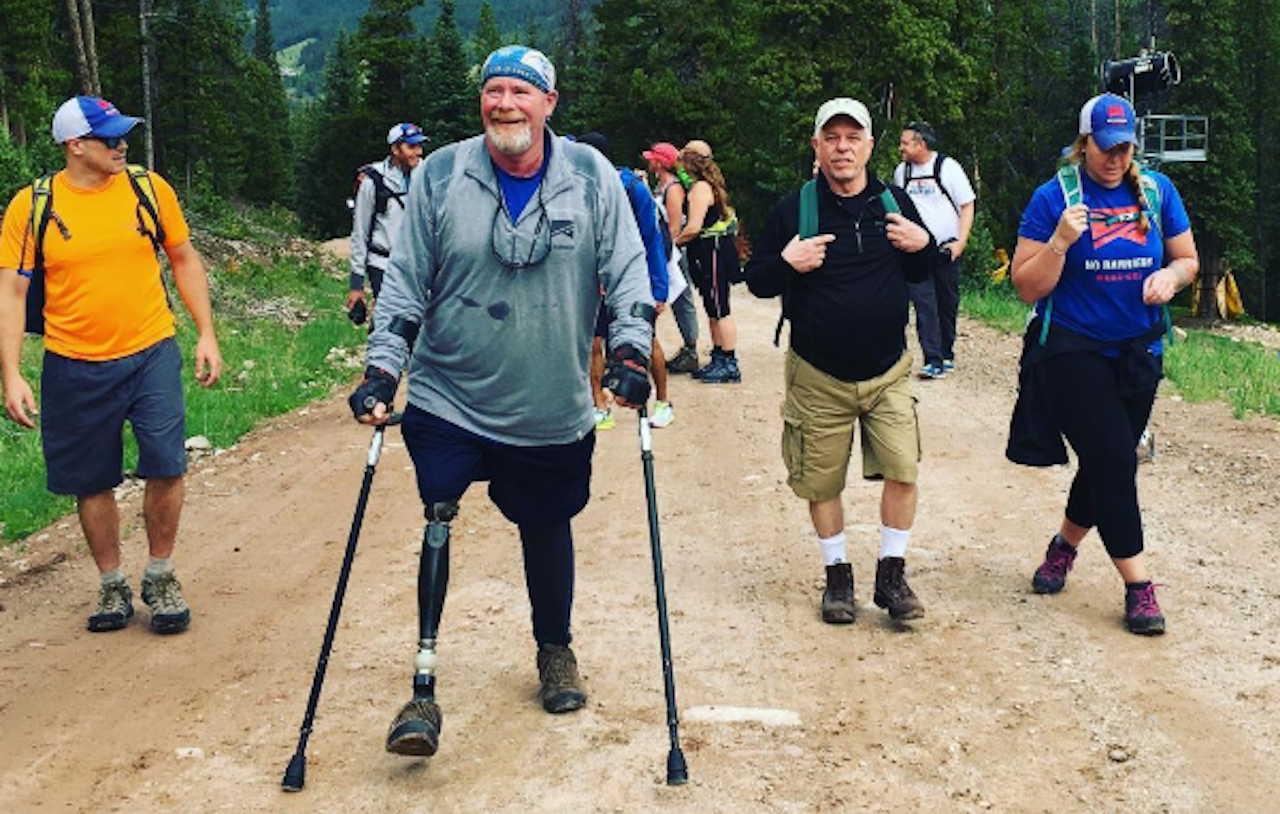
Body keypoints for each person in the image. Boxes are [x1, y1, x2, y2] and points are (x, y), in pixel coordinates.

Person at [348, 46, 654, 758]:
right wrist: (382, 370)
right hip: (450, 391)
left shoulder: (590, 176)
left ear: (550, 102)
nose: (505, 104)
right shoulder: (443, 175)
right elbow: (405, 284)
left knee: (546, 523)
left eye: (521, 91)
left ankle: (555, 650)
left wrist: (632, 350)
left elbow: (629, 270)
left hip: (549, 401)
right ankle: (422, 686)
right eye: (494, 91)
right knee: (438, 513)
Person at [0, 96, 223, 634]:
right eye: (110, 138)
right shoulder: (32, 207)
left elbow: (184, 258)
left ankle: (161, 574)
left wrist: (206, 334)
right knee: (91, 479)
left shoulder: (149, 188)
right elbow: (11, 291)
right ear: (75, 146)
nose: (123, 145)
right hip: (73, 362)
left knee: (167, 463)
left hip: (151, 350)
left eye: (124, 136)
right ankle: (112, 584)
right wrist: (11, 372)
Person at [1007, 93, 1198, 635]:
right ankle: (1139, 586)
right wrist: (1061, 243)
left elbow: (1187, 258)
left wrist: (1172, 278)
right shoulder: (1054, 198)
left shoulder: (1158, 193)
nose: (1115, 159)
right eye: (1105, 148)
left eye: (1125, 148)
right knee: (1116, 457)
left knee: (1104, 460)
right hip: (1072, 350)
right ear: (1083, 143)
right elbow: (1026, 286)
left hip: (1140, 350)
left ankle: (1063, 547)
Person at [744, 98, 937, 625]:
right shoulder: (795, 208)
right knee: (821, 482)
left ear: (870, 146)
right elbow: (757, 279)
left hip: (889, 369)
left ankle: (892, 576)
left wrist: (923, 243)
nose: (843, 147)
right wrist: (787, 261)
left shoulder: (894, 201)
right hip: (817, 373)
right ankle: (837, 577)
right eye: (832, 138)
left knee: (903, 469)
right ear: (817, 146)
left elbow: (922, 271)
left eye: (853, 137)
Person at [577, 132, 675, 429]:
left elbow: (651, 239)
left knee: (645, 340)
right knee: (594, 343)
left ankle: (663, 400)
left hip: (635, 282)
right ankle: (600, 404)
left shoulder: (632, 189)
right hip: (594, 285)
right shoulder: (573, 189)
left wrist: (657, 289)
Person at [894, 121, 976, 379]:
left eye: (906, 143)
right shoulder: (902, 172)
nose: (901, 148)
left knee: (947, 302)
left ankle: (946, 351)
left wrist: (960, 243)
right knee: (923, 303)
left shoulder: (947, 168)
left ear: (921, 144)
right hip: (916, 251)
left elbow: (967, 205)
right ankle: (933, 359)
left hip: (946, 249)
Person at [346, 122, 427, 323]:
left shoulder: (427, 175)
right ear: (395, 149)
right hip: (383, 263)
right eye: (411, 146)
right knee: (390, 320)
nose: (418, 152)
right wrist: (356, 285)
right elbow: (360, 232)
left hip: (418, 265)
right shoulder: (374, 181)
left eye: (419, 146)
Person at [676, 139, 742, 384]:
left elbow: (693, 227)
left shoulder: (700, 189)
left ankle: (729, 360)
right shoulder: (703, 185)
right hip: (708, 250)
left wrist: (673, 245)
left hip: (711, 249)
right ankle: (718, 356)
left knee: (719, 306)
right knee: (712, 306)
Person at [643, 141, 700, 373]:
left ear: (660, 162)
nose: (648, 161)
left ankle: (691, 347)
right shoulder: (661, 185)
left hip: (674, 252)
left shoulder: (673, 188)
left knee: (681, 298)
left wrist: (665, 252)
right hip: (664, 249)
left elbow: (674, 226)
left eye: (652, 158)